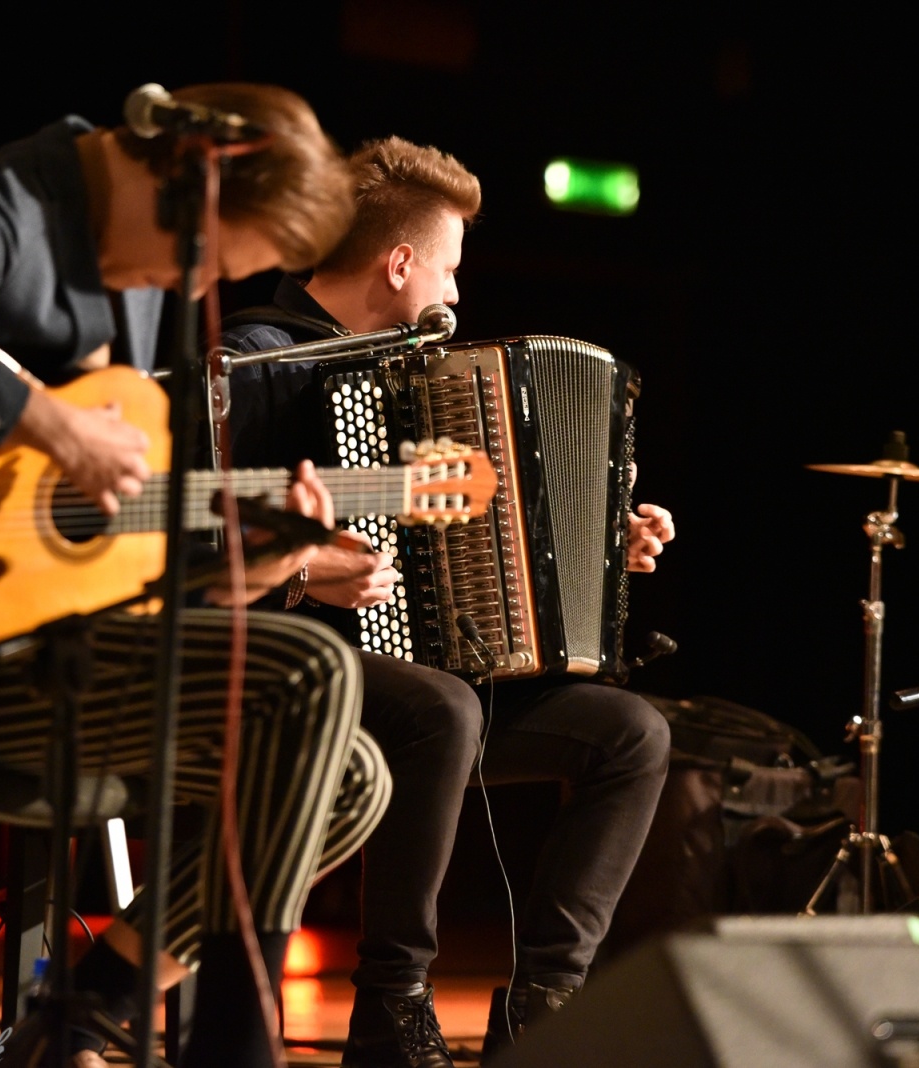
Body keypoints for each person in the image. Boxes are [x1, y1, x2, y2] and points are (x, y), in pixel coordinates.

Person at [0, 83, 387, 1068]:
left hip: (46, 652)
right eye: (208, 261)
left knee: (352, 780)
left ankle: (81, 1016)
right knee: (313, 675)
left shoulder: (139, 274)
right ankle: (233, 1051)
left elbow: (105, 559)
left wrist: (251, 566)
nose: (196, 288)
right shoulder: (7, 199)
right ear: (186, 180)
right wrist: (47, 423)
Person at [218, 136, 675, 1068]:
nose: (456, 292)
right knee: (444, 707)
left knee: (632, 734)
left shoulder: (424, 374)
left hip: (423, 692)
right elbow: (193, 543)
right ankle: (391, 1006)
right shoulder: (256, 362)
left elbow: (480, 536)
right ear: (400, 264)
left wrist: (600, 545)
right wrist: (303, 572)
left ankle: (546, 1006)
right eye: (450, 267)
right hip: (281, 675)